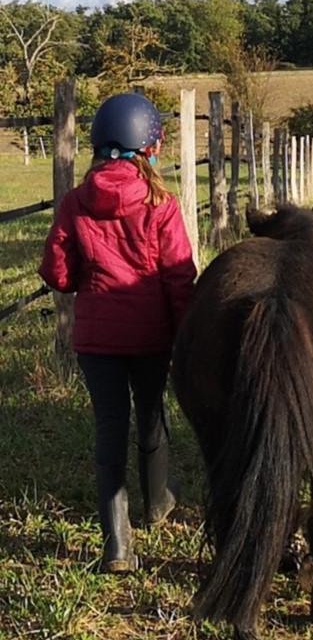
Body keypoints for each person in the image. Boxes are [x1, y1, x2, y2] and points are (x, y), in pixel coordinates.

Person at [39, 92, 197, 573]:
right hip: (151, 336)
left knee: (109, 430)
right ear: (150, 147)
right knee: (150, 417)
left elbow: (57, 274)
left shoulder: (75, 203)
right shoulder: (161, 204)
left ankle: (117, 546)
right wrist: (182, 338)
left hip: (97, 341)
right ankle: (156, 506)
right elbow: (178, 277)